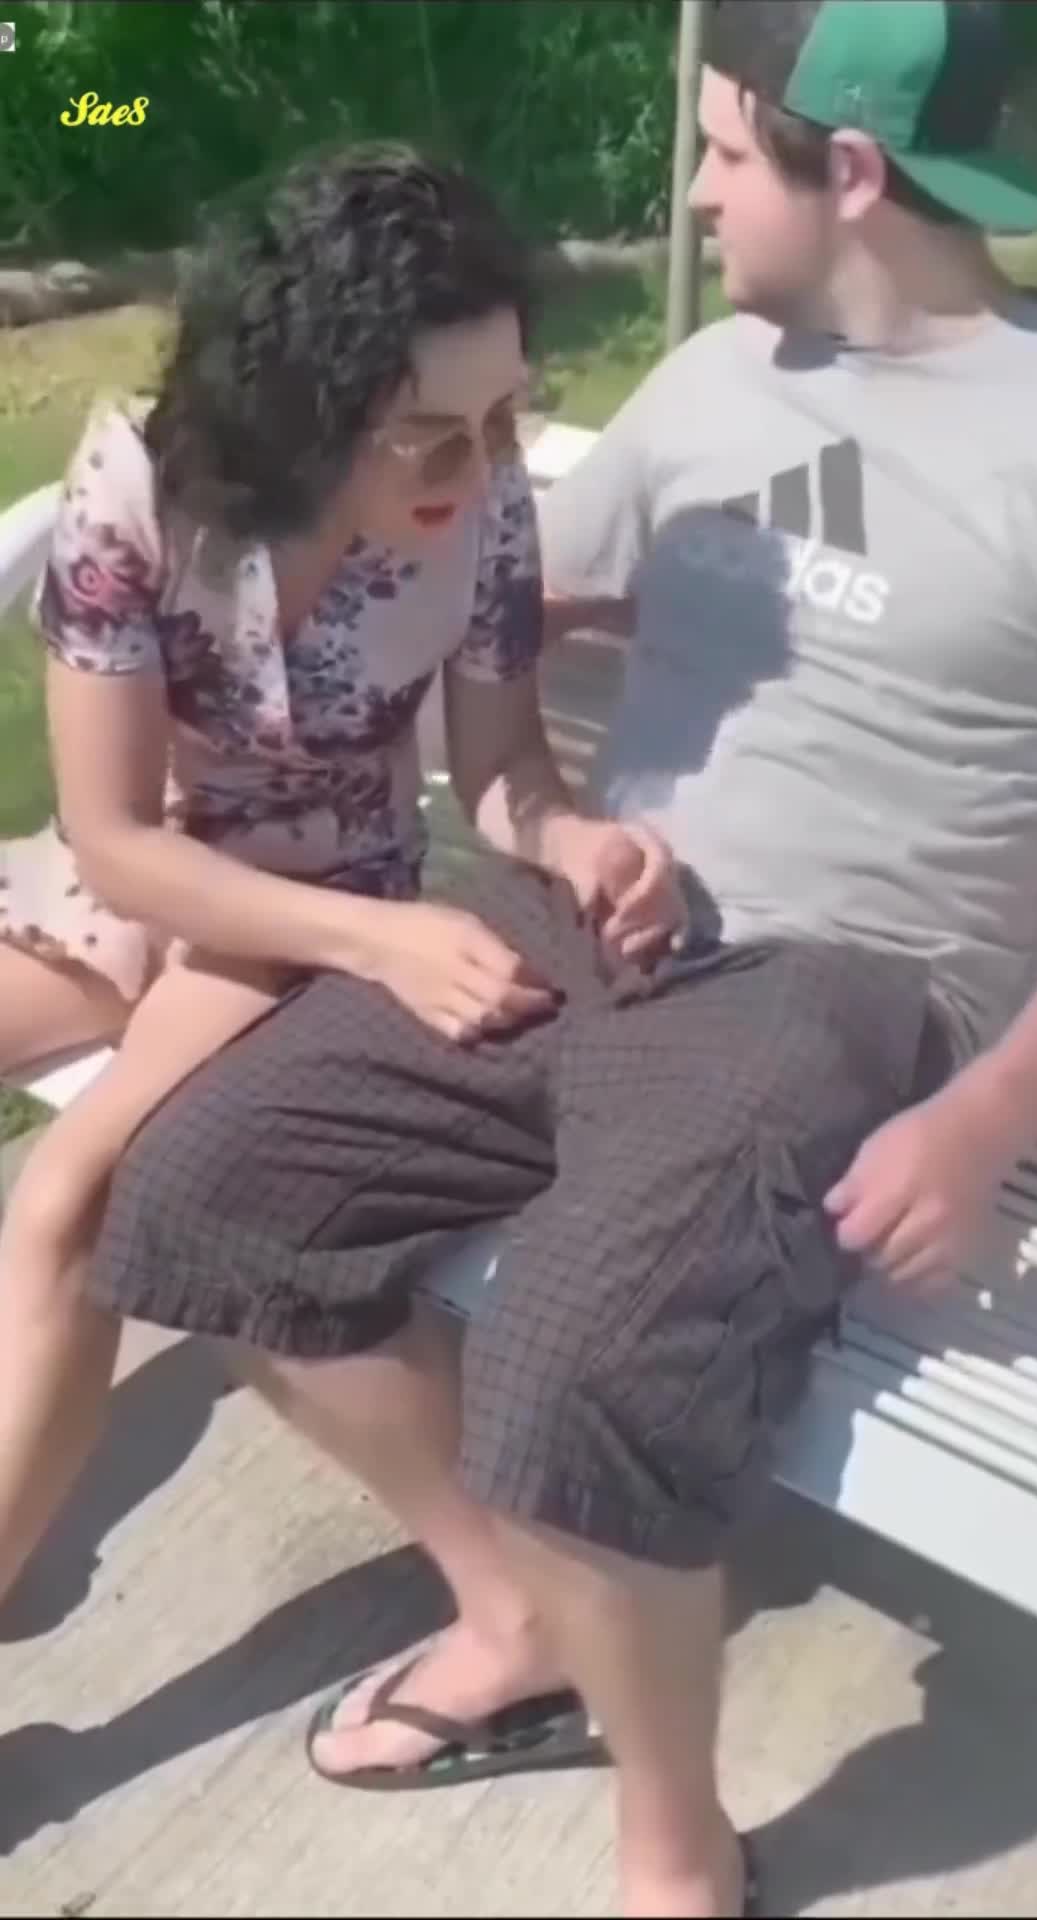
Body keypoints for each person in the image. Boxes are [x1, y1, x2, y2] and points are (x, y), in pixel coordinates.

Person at [73, 2, 1037, 1913]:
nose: (694, 190)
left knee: (579, 1361)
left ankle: (677, 1858)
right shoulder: (714, 377)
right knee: (202, 1194)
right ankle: (520, 1616)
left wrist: (983, 1124)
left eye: (723, 151)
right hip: (597, 912)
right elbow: (491, 569)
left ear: (852, 172)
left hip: (840, 980)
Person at [0, 144, 682, 1614]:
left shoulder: (486, 503)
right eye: (429, 433)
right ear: (307, 401)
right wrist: (384, 941)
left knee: (64, 1203)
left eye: (502, 417)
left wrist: (571, 839)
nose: (481, 467)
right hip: (134, 883)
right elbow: (111, 838)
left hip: (315, 912)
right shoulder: (138, 482)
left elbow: (503, 769)